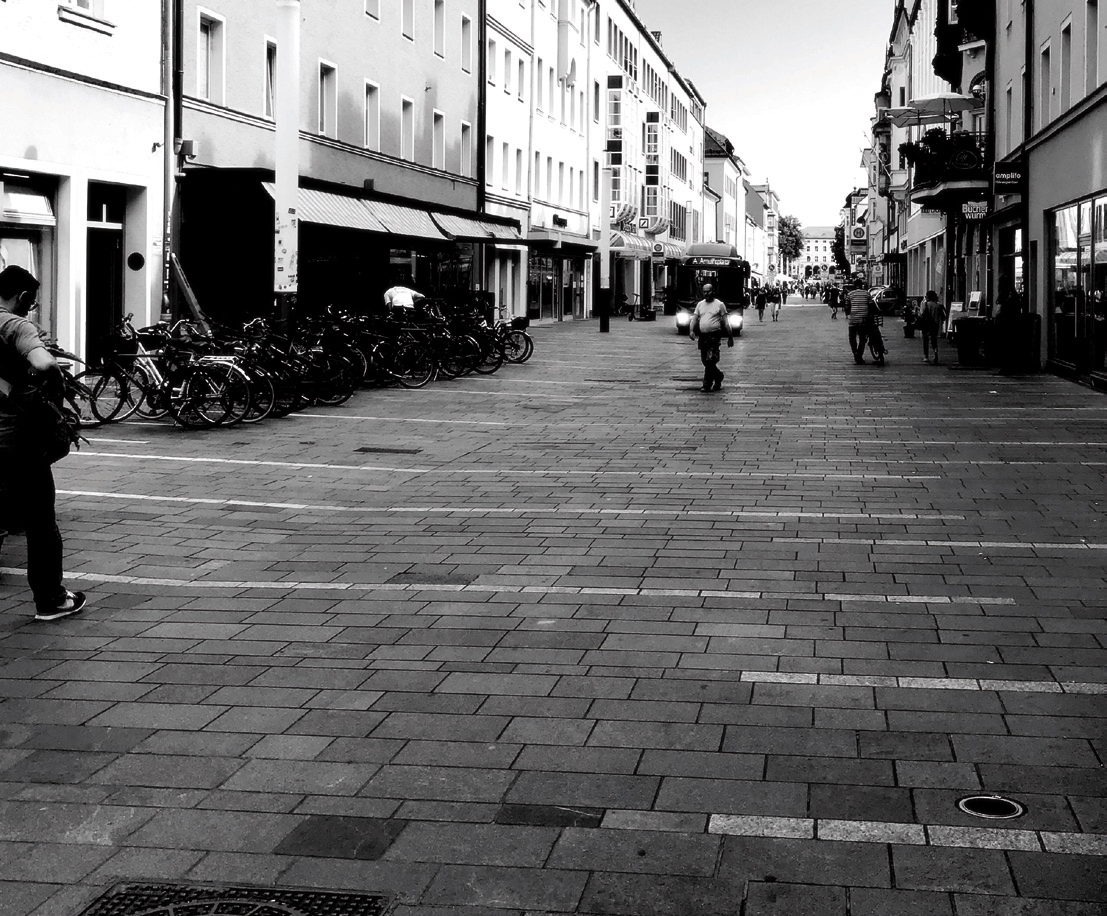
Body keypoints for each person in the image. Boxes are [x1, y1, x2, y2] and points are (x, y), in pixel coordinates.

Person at [0, 265, 87, 621]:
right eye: (31, 302)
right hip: (16, 442)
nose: (30, 309)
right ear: (22, 297)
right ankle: (51, 599)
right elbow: (43, 361)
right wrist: (50, 379)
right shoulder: (15, 325)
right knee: (40, 519)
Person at [688, 283, 734, 392]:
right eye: (704, 292)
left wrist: (730, 336)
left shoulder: (719, 304)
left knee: (710, 360)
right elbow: (694, 318)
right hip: (703, 336)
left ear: (713, 291)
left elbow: (725, 322)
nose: (706, 294)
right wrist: (691, 330)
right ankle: (718, 376)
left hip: (714, 336)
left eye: (708, 291)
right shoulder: (700, 304)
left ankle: (707, 384)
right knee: (705, 360)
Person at [844, 281, 877, 364]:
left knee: (852, 337)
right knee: (862, 338)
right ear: (862, 286)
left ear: (854, 287)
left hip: (853, 319)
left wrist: (848, 314)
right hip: (863, 319)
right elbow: (871, 305)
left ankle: (855, 353)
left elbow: (847, 306)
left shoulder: (850, 294)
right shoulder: (867, 293)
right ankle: (859, 354)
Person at [919, 289, 945, 364]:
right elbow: (943, 317)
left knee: (925, 340)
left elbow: (921, 314)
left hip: (926, 324)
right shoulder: (938, 305)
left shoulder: (925, 304)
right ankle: (935, 352)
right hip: (935, 325)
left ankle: (926, 356)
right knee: (934, 340)